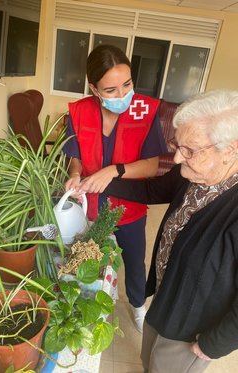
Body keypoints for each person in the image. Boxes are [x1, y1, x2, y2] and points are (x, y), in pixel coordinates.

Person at [90, 89, 238, 372]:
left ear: (230, 149)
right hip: (165, 298)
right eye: (177, 145)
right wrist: (100, 181)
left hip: (191, 328)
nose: (178, 159)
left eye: (190, 150)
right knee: (149, 361)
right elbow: (152, 189)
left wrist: (213, 345)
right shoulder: (195, 172)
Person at [63, 44, 167, 332]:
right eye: (111, 90)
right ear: (94, 89)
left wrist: (114, 170)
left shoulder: (145, 109)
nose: (123, 95)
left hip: (129, 209)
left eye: (127, 84)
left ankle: (137, 305)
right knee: (86, 257)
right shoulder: (79, 111)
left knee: (134, 261)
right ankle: (85, 301)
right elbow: (75, 155)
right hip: (90, 207)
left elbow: (151, 165)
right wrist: (74, 174)